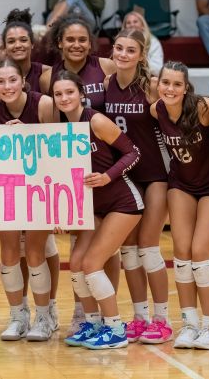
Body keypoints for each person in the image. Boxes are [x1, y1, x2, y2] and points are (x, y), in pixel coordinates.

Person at [0, 58, 56, 342]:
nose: (6, 86)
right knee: (8, 253)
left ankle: (44, 317)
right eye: (0, 82)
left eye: (12, 80)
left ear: (23, 81)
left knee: (35, 252)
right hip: (8, 190)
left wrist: (27, 134)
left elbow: (59, 147)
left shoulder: (43, 104)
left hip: (41, 186)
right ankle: (18, 315)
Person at [40, 14, 118, 336]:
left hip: (107, 161)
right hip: (74, 169)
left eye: (82, 39)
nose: (76, 44)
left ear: (91, 42)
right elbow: (49, 129)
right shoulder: (50, 78)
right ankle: (82, 312)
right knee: (78, 246)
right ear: (60, 43)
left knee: (108, 250)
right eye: (69, 39)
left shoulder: (108, 68)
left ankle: (107, 313)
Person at [54, 70, 143, 350]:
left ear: (81, 93)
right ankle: (93, 323)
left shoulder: (95, 120)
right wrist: (59, 211)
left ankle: (116, 329)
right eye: (58, 94)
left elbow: (133, 153)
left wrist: (107, 176)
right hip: (91, 206)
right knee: (77, 265)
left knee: (92, 264)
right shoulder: (57, 128)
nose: (64, 98)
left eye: (69, 92)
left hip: (123, 202)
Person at [149, 61, 209, 350]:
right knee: (181, 253)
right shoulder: (155, 109)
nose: (170, 89)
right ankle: (189, 323)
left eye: (177, 84)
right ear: (158, 84)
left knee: (199, 251)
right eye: (165, 83)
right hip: (181, 184)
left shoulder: (204, 108)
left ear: (186, 88)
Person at [103, 30, 172, 345]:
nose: (123, 54)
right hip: (125, 176)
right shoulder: (106, 86)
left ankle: (162, 319)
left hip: (155, 174)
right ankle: (140, 317)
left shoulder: (152, 88)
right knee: (128, 251)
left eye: (131, 50)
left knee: (149, 247)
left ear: (141, 55)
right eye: (119, 48)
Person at [121, 11, 164, 76]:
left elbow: (158, 69)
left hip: (147, 79)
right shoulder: (120, 42)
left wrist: (137, 62)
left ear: (142, 25)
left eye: (135, 22)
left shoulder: (153, 42)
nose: (132, 25)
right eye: (128, 23)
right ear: (125, 27)